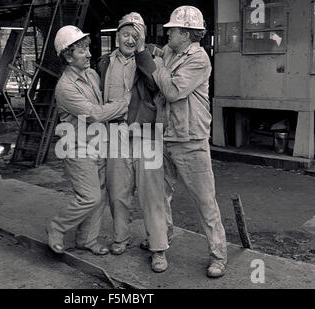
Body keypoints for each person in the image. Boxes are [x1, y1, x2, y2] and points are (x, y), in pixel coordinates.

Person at [151, 6, 228, 278]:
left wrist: (157, 66)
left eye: (172, 29)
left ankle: (218, 255)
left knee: (204, 201)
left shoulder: (199, 59)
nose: (167, 32)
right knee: (159, 196)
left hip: (190, 139)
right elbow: (161, 55)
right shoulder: (171, 51)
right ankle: (161, 242)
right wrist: (154, 52)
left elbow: (172, 91)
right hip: (165, 135)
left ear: (186, 33)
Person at [46, 25, 128, 255]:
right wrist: (124, 104)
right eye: (81, 50)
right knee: (90, 197)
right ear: (68, 56)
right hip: (77, 149)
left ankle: (87, 240)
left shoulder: (91, 74)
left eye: (87, 48)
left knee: (99, 196)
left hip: (97, 144)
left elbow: (102, 106)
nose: (89, 54)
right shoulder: (65, 88)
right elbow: (95, 114)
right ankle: (57, 227)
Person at [98, 13, 169, 273]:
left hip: (147, 135)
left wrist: (142, 53)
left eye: (136, 35)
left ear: (143, 38)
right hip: (116, 135)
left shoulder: (153, 58)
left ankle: (158, 248)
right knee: (117, 193)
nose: (130, 39)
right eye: (126, 34)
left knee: (152, 196)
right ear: (117, 35)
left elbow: (154, 85)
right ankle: (121, 237)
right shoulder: (105, 62)